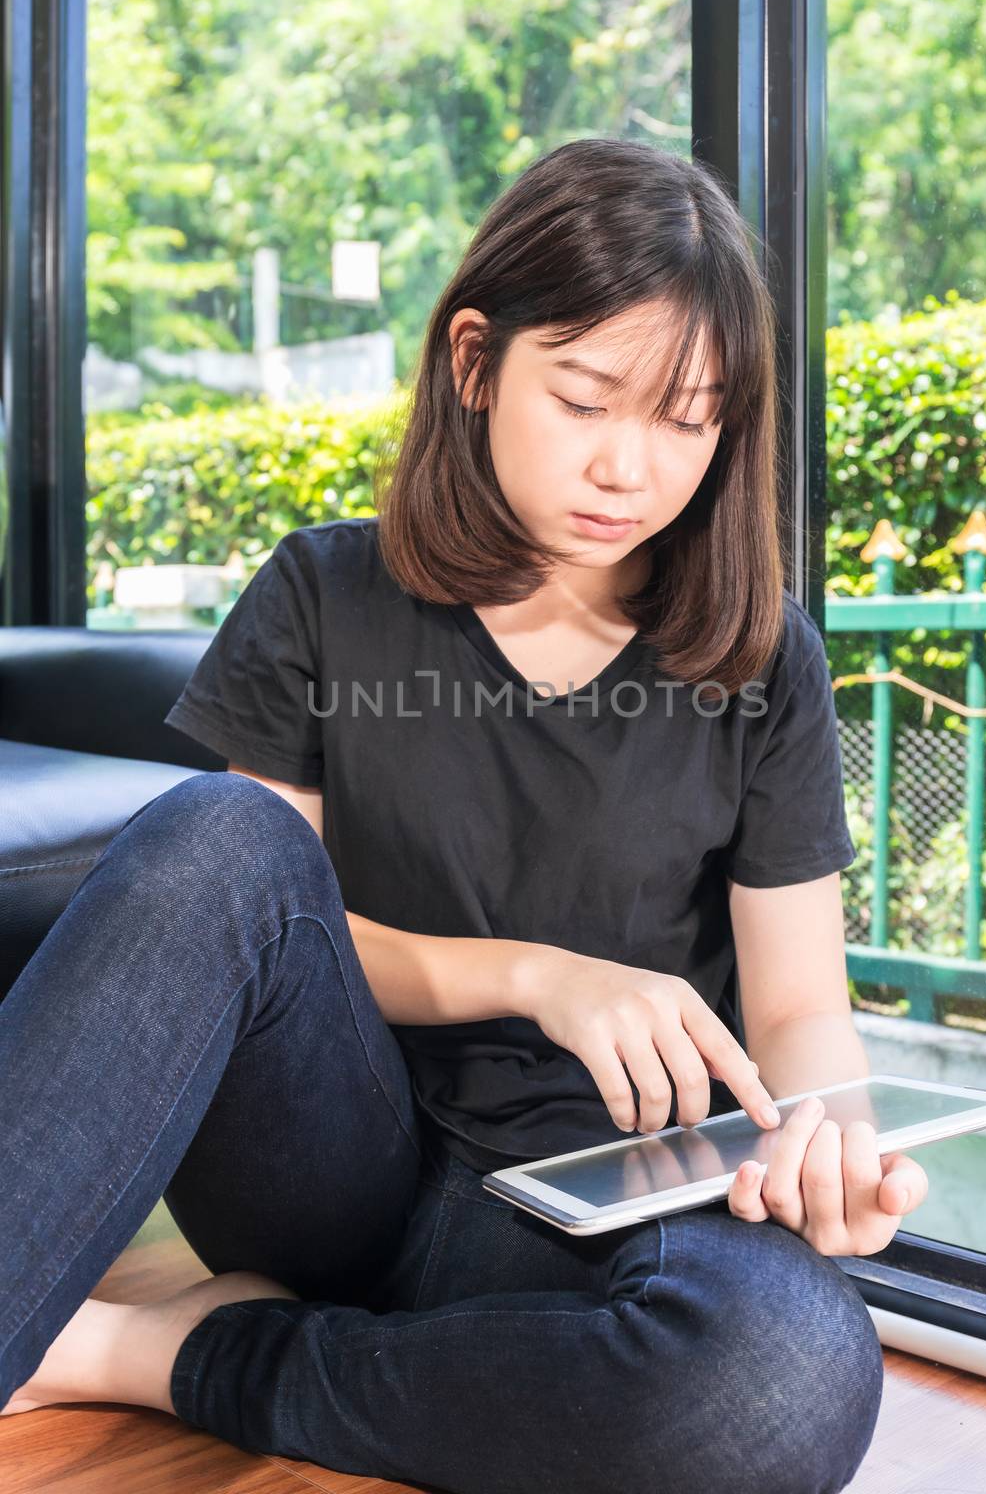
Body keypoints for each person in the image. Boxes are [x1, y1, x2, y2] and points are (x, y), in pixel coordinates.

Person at [0, 137, 927, 1492]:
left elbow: (797, 1008)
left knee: (780, 1379)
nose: (633, 467)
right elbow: (259, 934)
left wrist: (827, 1135)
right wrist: (533, 979)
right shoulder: (323, 595)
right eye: (589, 398)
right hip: (334, 1165)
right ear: (477, 361)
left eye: (689, 416)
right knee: (221, 836)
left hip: (612, 1195)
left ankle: (176, 1357)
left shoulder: (759, 658)